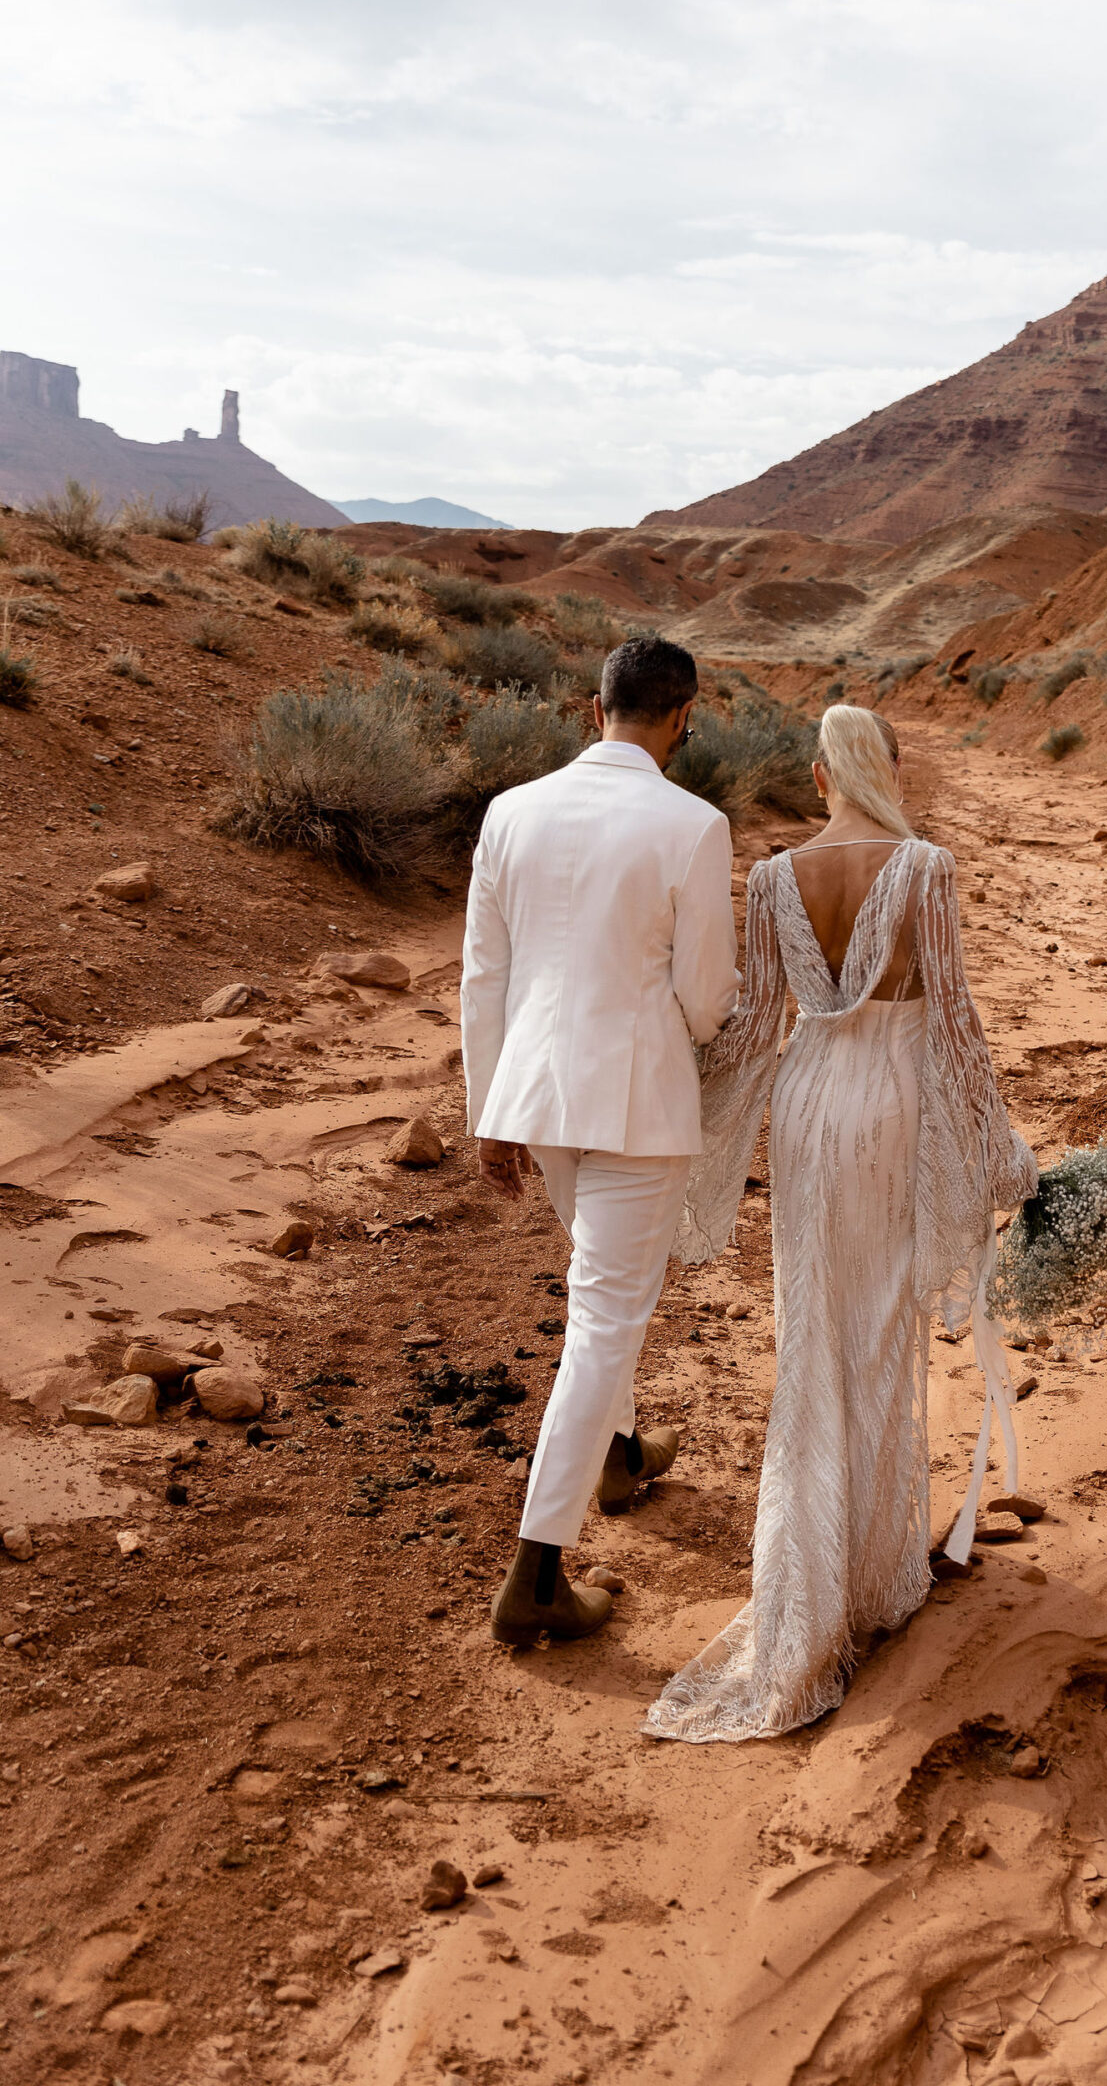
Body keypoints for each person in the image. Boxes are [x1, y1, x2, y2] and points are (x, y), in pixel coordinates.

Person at [645, 704, 1035, 1743]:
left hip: (808, 1108)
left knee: (811, 1336)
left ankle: (814, 1581)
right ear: (885, 771)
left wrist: (662, 1083)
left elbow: (750, 1026)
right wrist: (997, 1148)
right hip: (894, 1103)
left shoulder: (772, 879)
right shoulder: (925, 867)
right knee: (878, 1331)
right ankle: (869, 1577)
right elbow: (951, 1016)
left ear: (820, 778)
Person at [461, 634, 740, 1647]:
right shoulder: (693, 824)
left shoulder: (510, 810)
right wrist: (713, 1036)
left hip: (538, 1098)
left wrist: (488, 1108)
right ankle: (536, 1574)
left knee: (598, 1292)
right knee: (603, 1322)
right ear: (677, 719)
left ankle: (620, 1457)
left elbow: (481, 974)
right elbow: (704, 994)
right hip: (634, 1101)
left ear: (594, 710)